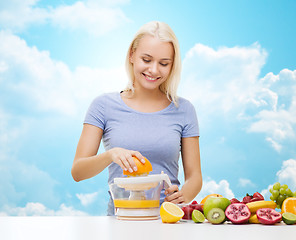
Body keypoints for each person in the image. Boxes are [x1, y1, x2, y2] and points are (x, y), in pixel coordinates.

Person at [71, 21, 202, 216]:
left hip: (169, 220)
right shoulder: (103, 106)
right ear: (132, 55)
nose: (154, 70)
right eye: (146, 59)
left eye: (164, 63)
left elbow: (195, 177)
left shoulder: (183, 109)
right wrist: (110, 155)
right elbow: (78, 172)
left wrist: (183, 195)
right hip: (120, 218)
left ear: (172, 65)